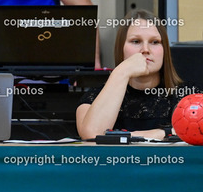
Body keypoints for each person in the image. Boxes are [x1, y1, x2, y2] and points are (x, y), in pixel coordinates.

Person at [76, 10, 198, 140]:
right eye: (136, 41)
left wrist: (130, 136)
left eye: (155, 42)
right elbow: (92, 135)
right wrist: (121, 72)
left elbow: (197, 131)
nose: (145, 49)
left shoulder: (189, 95)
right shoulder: (94, 97)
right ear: (121, 49)